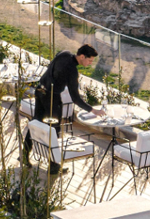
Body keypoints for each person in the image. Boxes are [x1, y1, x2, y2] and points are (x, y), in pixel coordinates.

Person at [23, 44, 106, 174]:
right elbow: (75, 98)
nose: (90, 63)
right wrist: (93, 110)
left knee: (35, 123)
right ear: (82, 56)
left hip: (40, 90)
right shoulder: (72, 71)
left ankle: (24, 155)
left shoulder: (64, 53)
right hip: (52, 98)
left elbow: (52, 70)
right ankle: (54, 167)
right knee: (54, 131)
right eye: (89, 60)